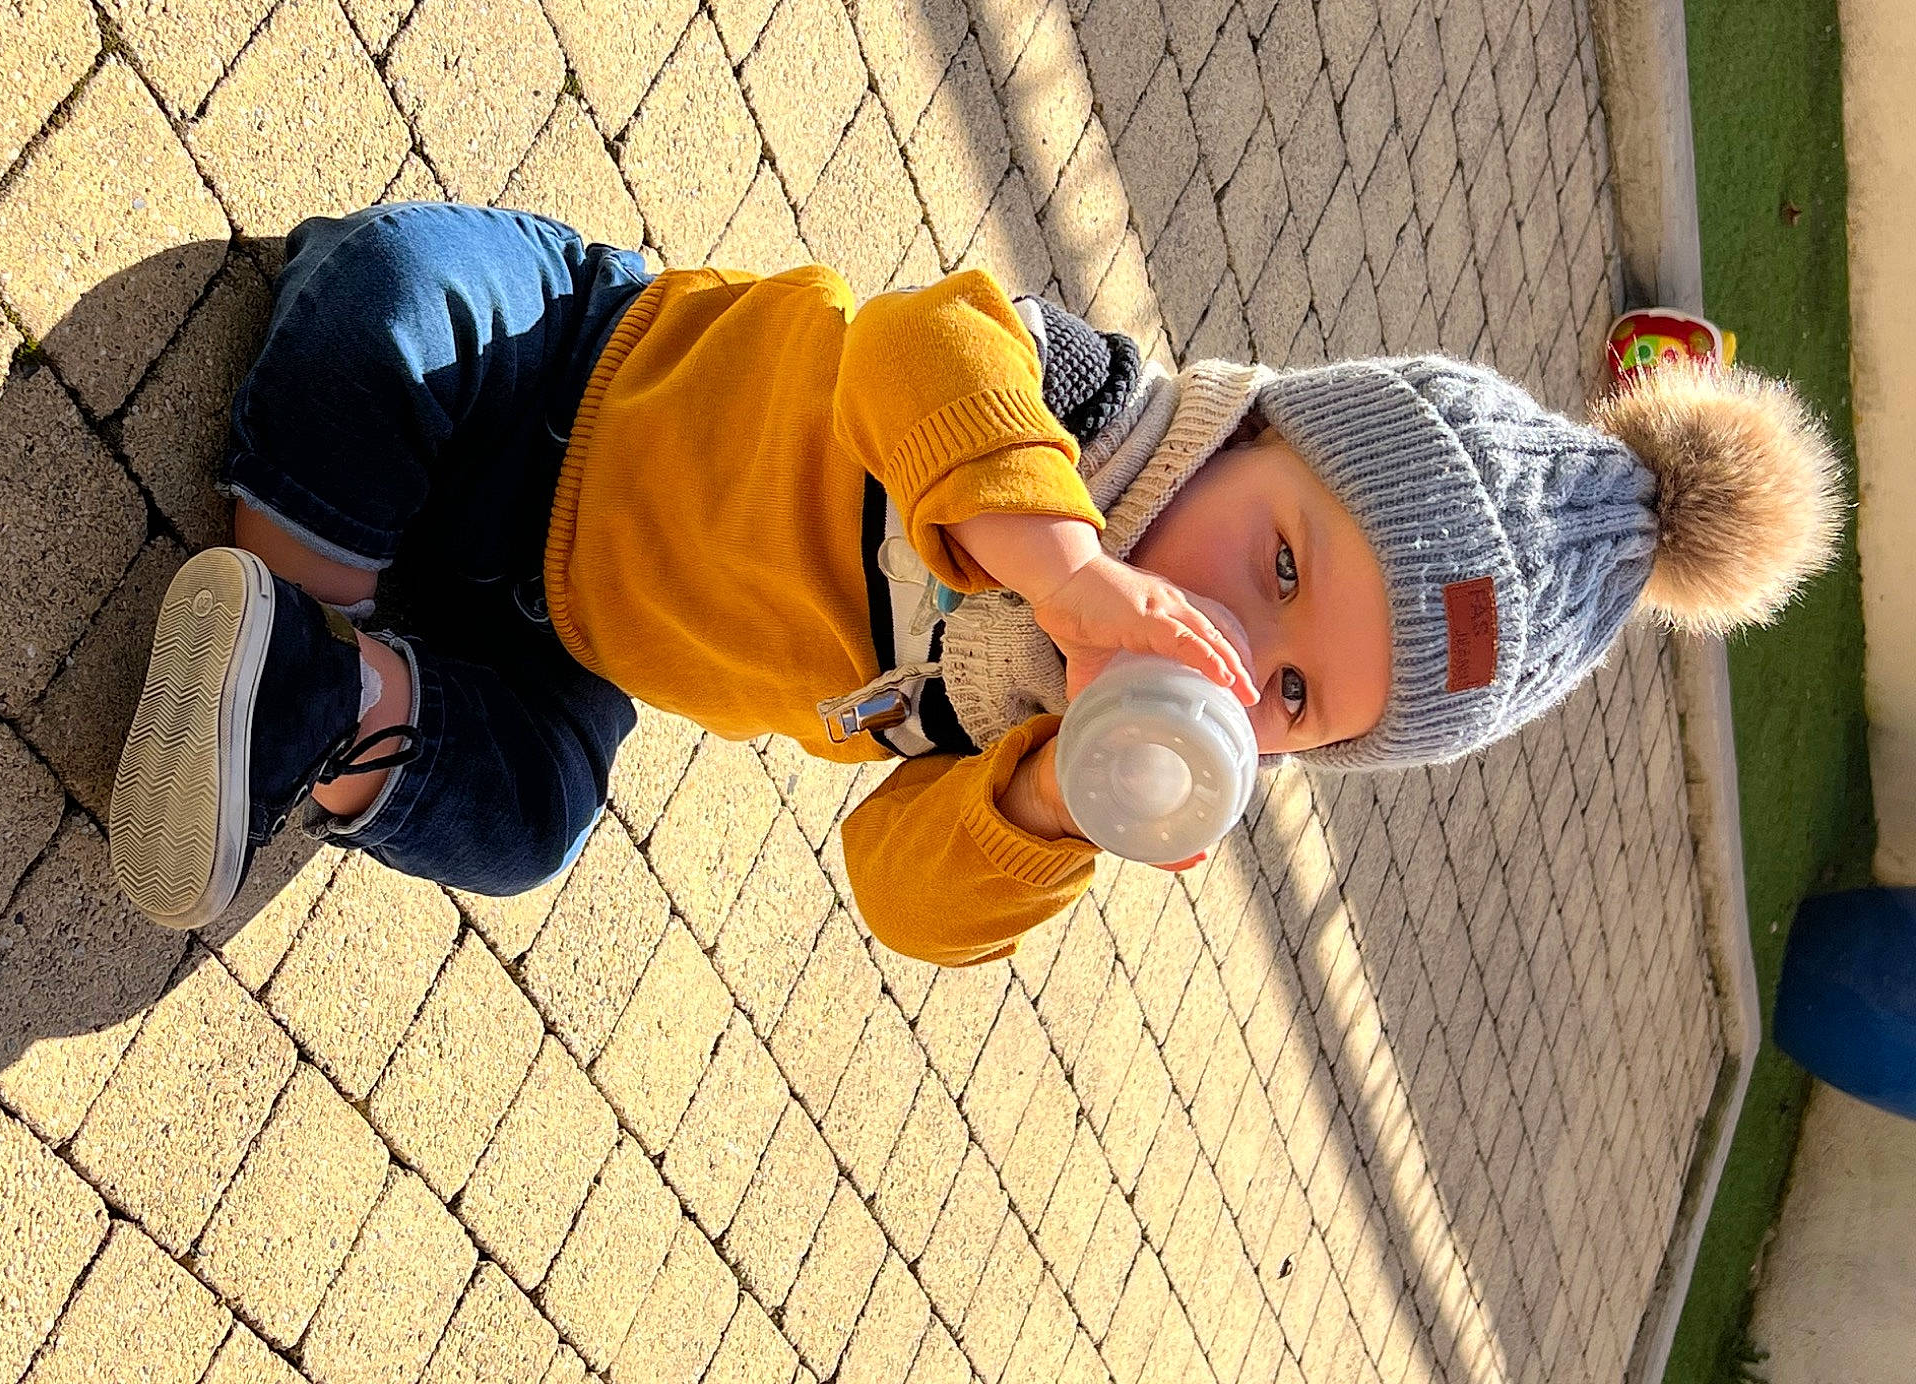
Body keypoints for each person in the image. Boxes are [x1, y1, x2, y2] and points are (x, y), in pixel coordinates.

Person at [107, 203, 1843, 966]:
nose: (1239, 644)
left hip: (562, 635)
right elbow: (908, 348)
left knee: (535, 823)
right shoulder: (1082, 413)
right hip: (567, 365)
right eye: (1279, 561)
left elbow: (899, 886)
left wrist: (1050, 806)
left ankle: (328, 688)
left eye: (1298, 693)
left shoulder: (1043, 732)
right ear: (1245, 430)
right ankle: (297, 616)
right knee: (391, 304)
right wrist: (1063, 564)